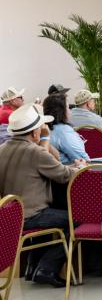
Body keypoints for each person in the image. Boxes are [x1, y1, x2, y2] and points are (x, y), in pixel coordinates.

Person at [0, 105, 81, 286]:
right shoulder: (34, 152)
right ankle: (47, 267)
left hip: (11, 216)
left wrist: (44, 140)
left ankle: (32, 267)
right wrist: (80, 167)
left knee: (50, 217)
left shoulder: (2, 149)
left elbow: (54, 158)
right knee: (78, 220)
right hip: (32, 214)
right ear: (34, 132)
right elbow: (64, 174)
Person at [43, 93, 89, 164]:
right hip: (70, 173)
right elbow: (82, 159)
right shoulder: (63, 131)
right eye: (68, 108)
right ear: (60, 111)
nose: (70, 111)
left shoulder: (44, 128)